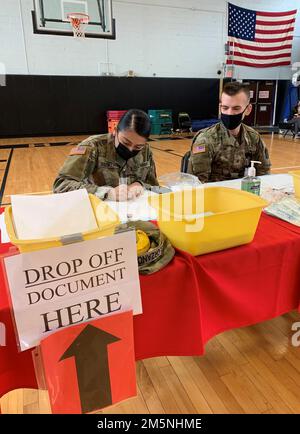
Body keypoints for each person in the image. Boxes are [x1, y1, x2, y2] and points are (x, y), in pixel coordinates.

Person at [53, 109, 159, 201]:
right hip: (97, 210)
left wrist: (140, 185)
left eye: (137, 147)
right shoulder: (92, 147)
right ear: (115, 131)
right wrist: (107, 193)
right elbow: (61, 184)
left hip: (133, 211)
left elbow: (155, 187)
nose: (130, 149)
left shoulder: (145, 150)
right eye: (126, 142)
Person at [187, 82, 271, 183]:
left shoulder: (254, 138)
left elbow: (264, 174)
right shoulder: (205, 140)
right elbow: (197, 184)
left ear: (248, 109)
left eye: (236, 108)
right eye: (225, 108)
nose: (229, 113)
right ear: (220, 108)